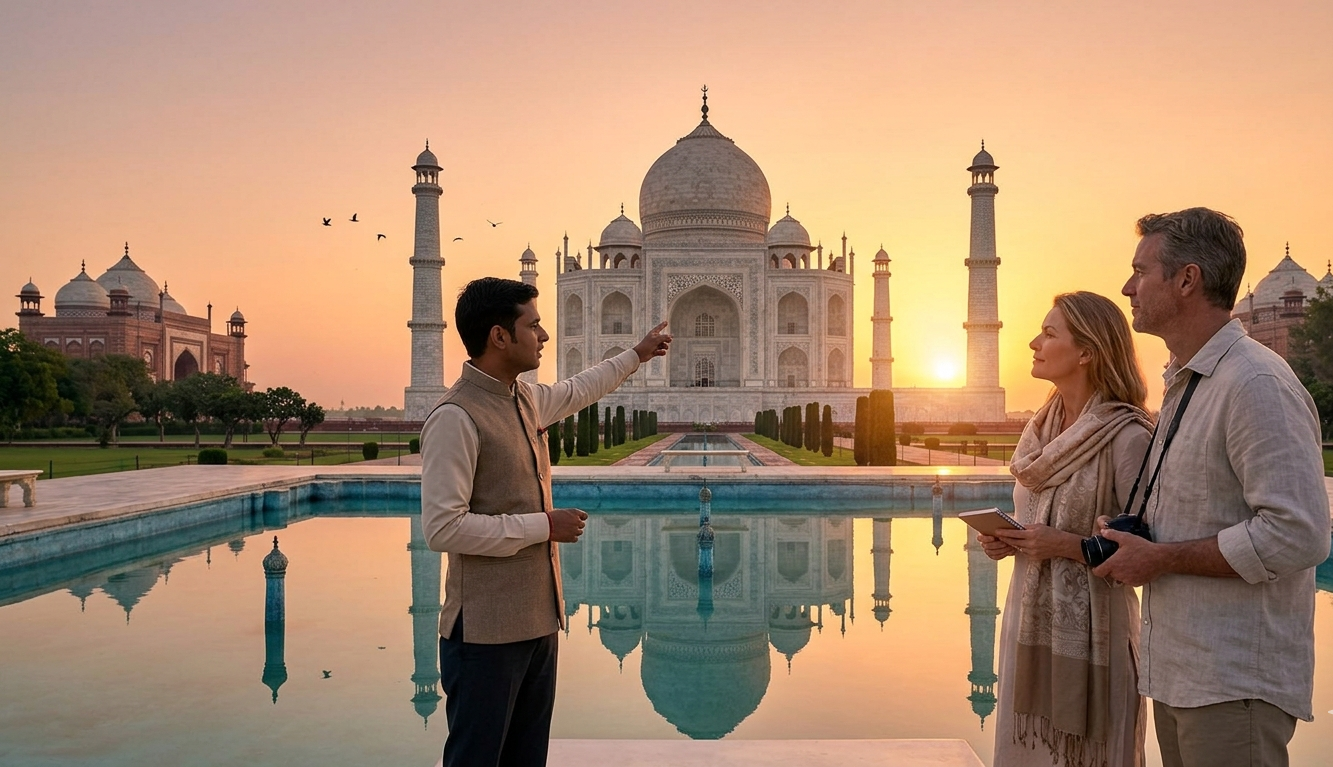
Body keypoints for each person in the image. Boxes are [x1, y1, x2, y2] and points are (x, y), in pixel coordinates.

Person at [1092, 208, 1330, 767]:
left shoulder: (1255, 383)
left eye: (1140, 271)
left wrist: (1164, 559)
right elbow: (1198, 506)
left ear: (1187, 280)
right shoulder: (1190, 381)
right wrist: (1133, 539)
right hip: (1183, 673)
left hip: (1233, 683)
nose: (1128, 286)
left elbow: (1298, 534)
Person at [419, 277, 671, 767]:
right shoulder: (456, 416)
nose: (544, 336)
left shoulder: (523, 398)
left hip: (536, 625)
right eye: (533, 325)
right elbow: (443, 529)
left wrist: (637, 354)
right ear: (499, 336)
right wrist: (542, 526)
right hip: (484, 637)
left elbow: (581, 388)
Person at [978, 291, 1152, 767]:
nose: (1034, 342)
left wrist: (1066, 546)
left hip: (1099, 640)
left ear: (1087, 352)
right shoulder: (1041, 429)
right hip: (1028, 628)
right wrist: (1006, 540)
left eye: (1050, 333)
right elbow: (1038, 523)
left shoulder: (1128, 436)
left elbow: (1147, 554)